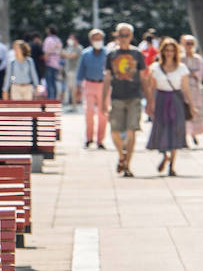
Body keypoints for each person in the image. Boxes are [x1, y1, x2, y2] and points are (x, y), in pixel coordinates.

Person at [104, 23, 149, 177]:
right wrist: (104, 100)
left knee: (132, 130)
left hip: (134, 96)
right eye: (121, 35)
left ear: (131, 36)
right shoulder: (111, 55)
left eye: (126, 35)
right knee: (115, 131)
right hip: (117, 96)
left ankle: (127, 164)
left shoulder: (137, 54)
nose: (123, 38)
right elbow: (107, 78)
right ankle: (121, 155)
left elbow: (144, 77)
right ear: (117, 36)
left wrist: (150, 100)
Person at [146, 37, 190, 176]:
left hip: (176, 99)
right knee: (161, 128)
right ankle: (165, 155)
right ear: (162, 51)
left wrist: (191, 105)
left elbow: (186, 88)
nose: (169, 53)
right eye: (167, 50)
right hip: (161, 99)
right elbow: (151, 88)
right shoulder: (155, 68)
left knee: (176, 130)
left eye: (172, 50)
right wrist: (149, 103)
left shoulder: (182, 68)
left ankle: (172, 164)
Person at [76, 28, 109, 148]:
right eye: (95, 39)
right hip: (89, 84)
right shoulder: (85, 54)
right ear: (91, 40)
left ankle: (100, 140)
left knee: (103, 113)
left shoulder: (108, 53)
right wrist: (78, 89)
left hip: (104, 85)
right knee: (89, 112)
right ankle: (89, 138)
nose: (97, 41)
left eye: (99, 38)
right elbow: (80, 71)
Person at [182, 34, 203, 145]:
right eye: (187, 43)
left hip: (195, 90)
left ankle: (194, 134)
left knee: (194, 112)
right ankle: (185, 136)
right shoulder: (181, 58)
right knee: (184, 112)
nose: (189, 46)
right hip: (183, 89)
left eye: (191, 44)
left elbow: (200, 73)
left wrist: (190, 73)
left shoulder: (198, 59)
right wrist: (190, 73)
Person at [41, 26, 64, 101]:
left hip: (49, 63)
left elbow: (46, 52)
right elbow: (60, 52)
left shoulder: (48, 39)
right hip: (57, 63)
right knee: (54, 84)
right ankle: (54, 99)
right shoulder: (58, 40)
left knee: (49, 83)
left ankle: (50, 100)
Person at [61, 35, 82, 108]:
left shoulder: (78, 48)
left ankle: (74, 105)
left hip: (74, 70)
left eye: (71, 39)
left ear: (75, 40)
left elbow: (71, 56)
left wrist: (64, 53)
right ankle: (72, 105)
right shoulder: (70, 47)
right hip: (68, 70)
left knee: (73, 89)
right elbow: (62, 54)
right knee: (70, 88)